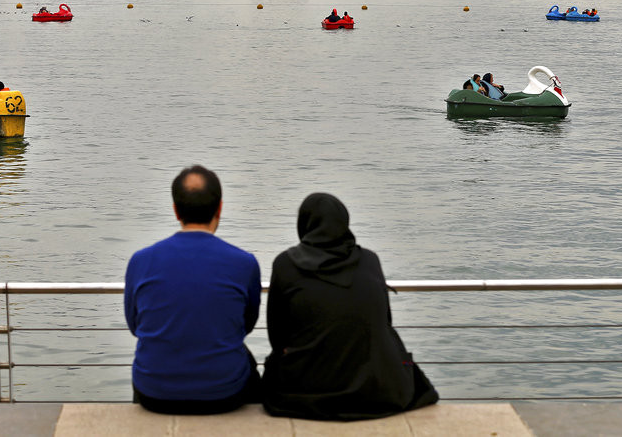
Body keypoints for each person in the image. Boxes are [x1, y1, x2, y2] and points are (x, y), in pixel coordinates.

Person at [262, 193, 438, 421]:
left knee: (272, 368)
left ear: (304, 224)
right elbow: (384, 322)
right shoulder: (370, 260)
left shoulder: (285, 264)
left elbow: (277, 337)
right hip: (374, 389)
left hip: (307, 392)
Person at [124, 165, 261, 415]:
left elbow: (135, 326)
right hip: (224, 395)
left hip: (154, 394)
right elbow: (247, 324)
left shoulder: (140, 261)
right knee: (247, 360)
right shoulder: (245, 263)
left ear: (176, 210)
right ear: (220, 208)